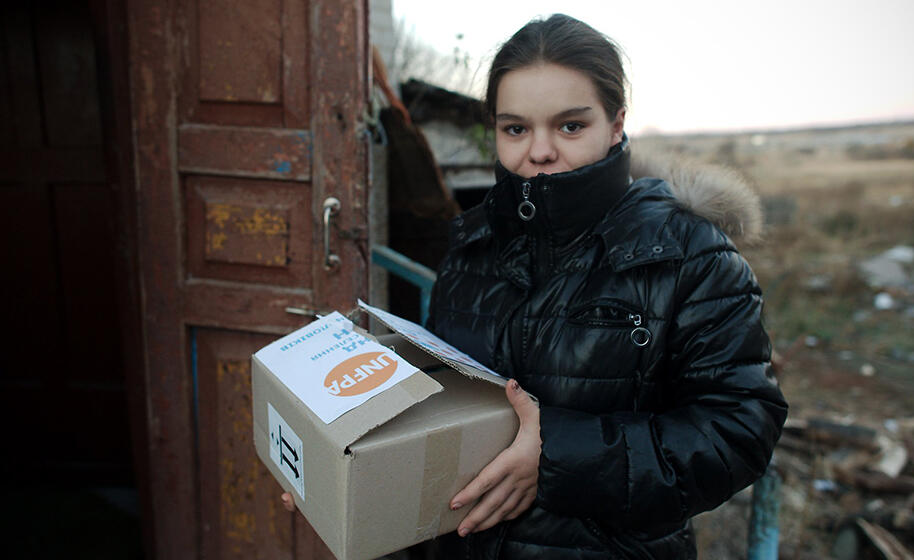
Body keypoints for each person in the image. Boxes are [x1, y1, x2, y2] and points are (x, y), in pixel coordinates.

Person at [285, 13, 787, 559]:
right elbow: (443, 408)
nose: (540, 151)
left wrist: (555, 457)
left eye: (571, 126)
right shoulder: (474, 247)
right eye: (515, 128)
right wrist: (343, 472)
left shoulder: (688, 254)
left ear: (616, 124)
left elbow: (740, 428)